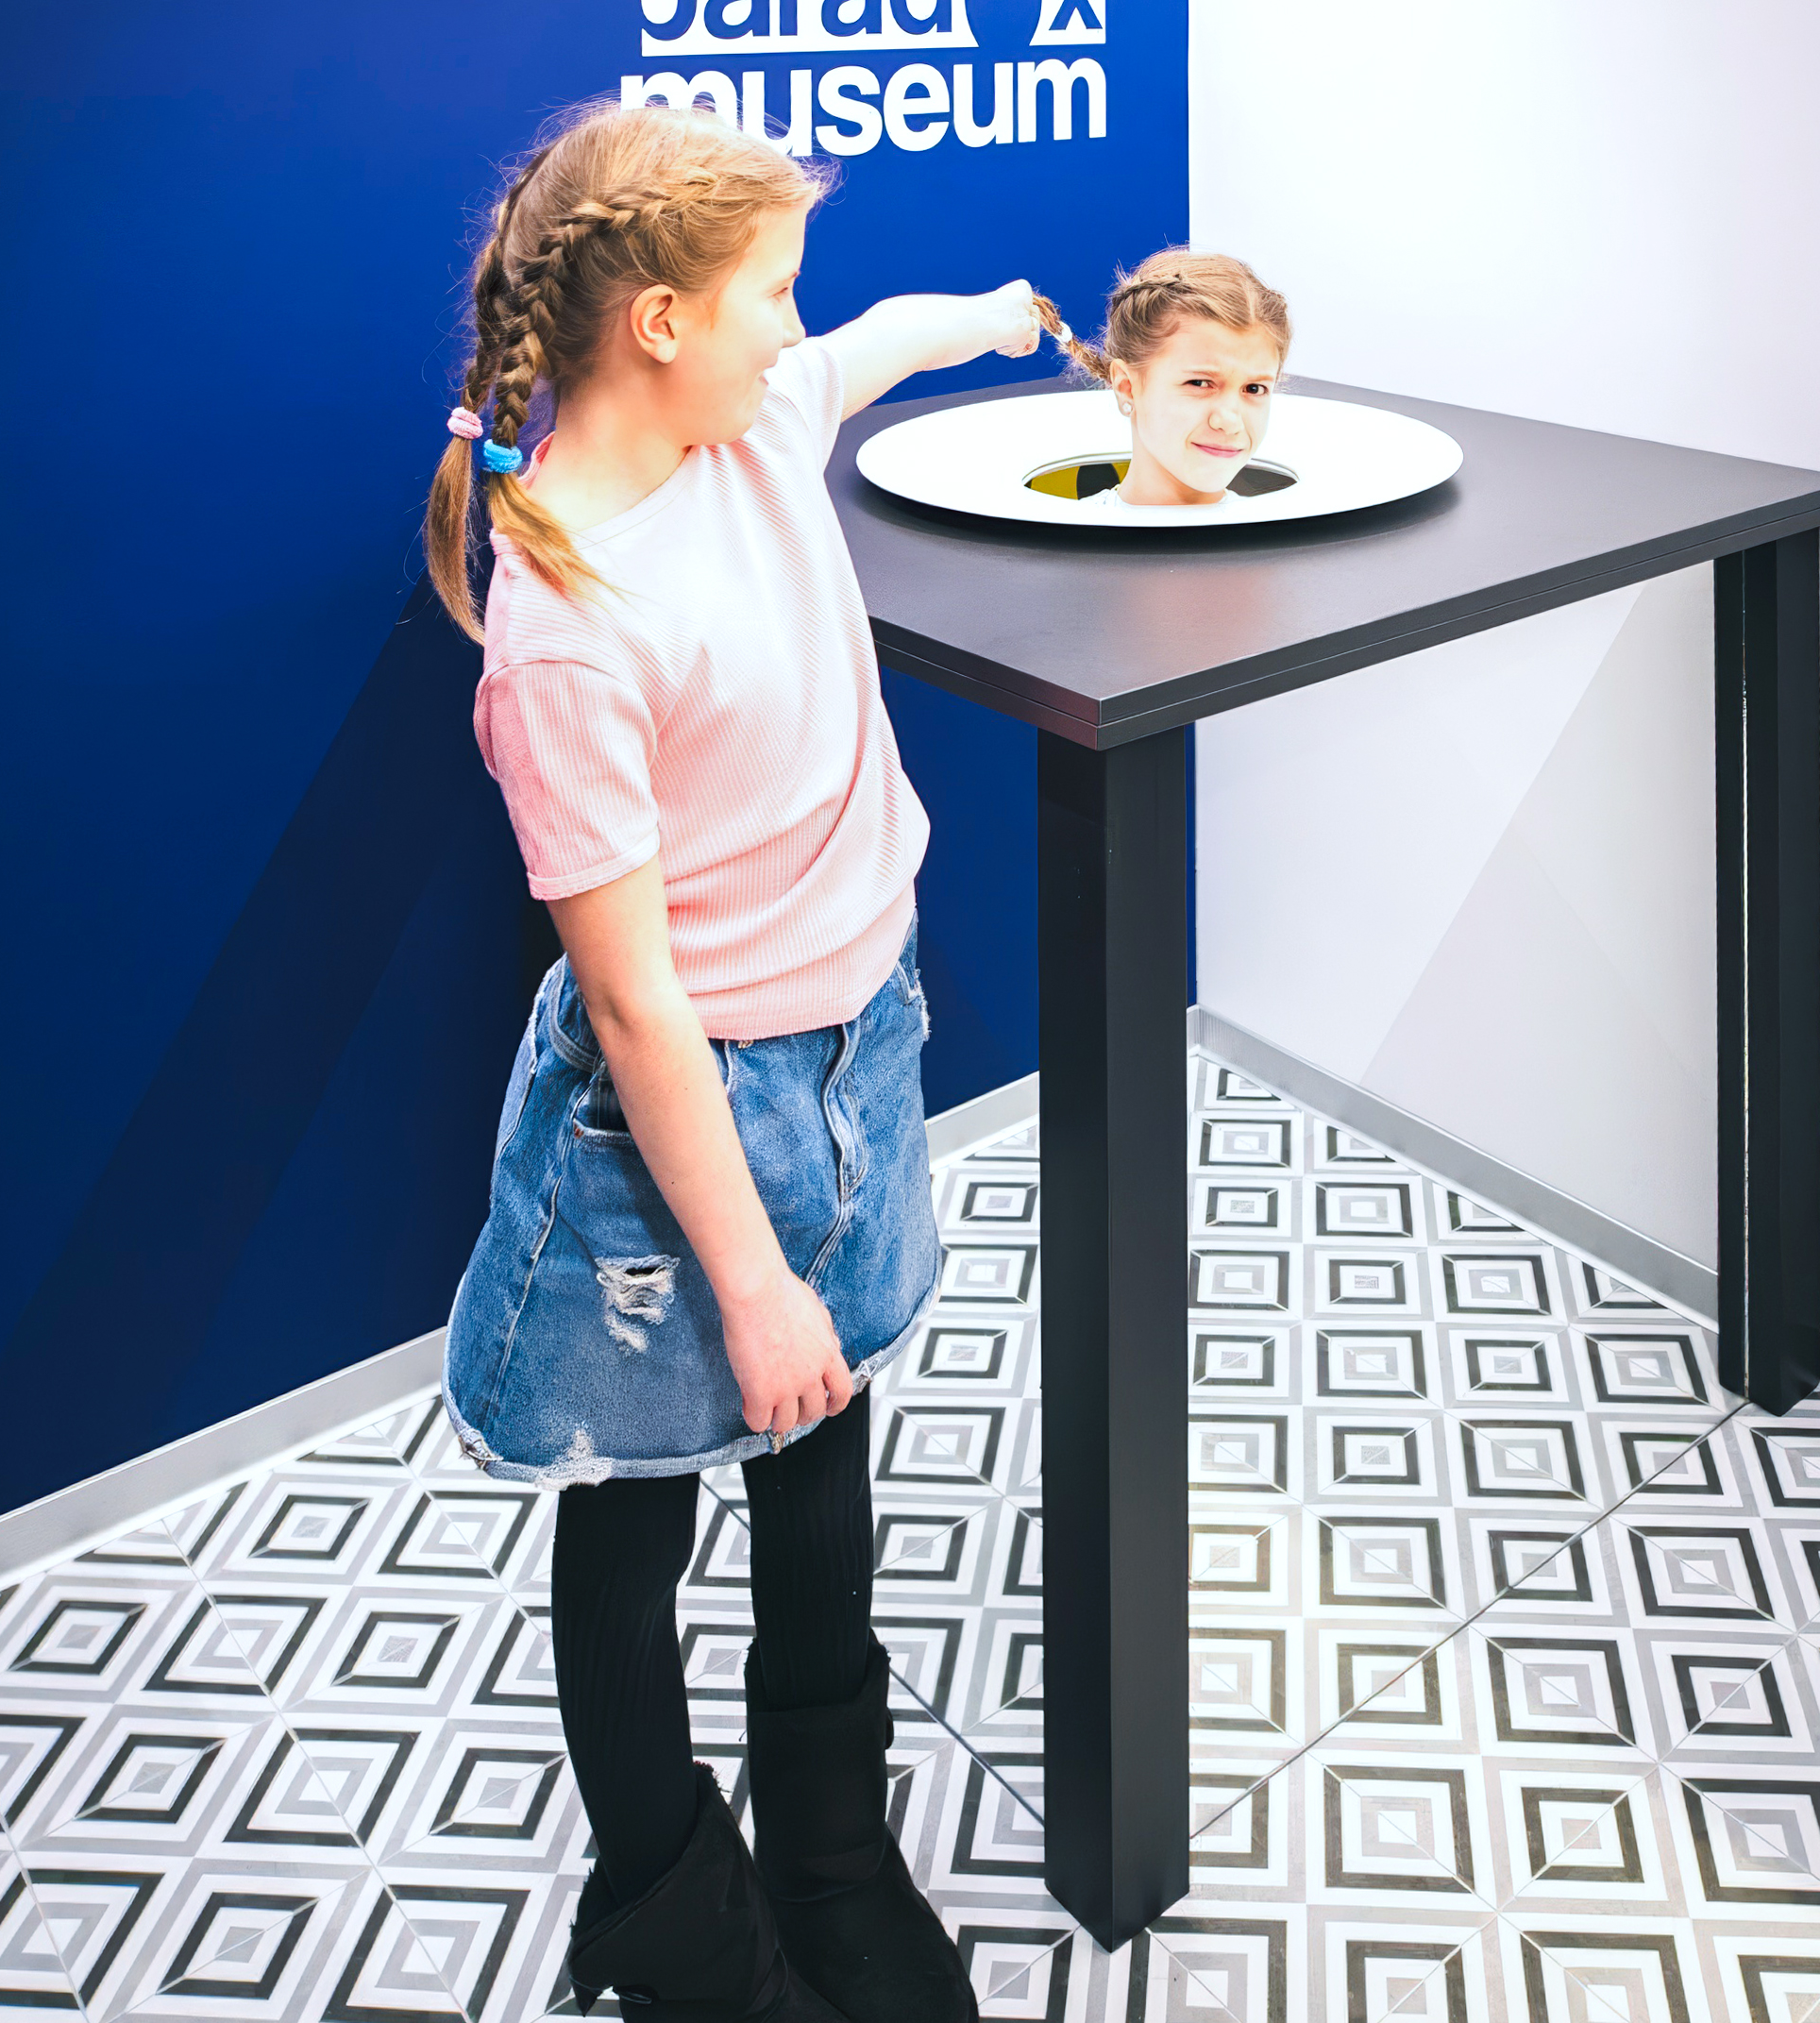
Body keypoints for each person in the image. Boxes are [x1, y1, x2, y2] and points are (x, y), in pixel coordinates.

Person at [425, 98, 1042, 2022]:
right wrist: (754, 1275)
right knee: (636, 1511)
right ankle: (678, 1927)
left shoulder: (751, 423)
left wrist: (995, 315)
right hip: (678, 1122)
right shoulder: (565, 627)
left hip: (851, 1060)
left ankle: (834, 1860)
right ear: (660, 322)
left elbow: (878, 346)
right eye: (771, 290)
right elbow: (630, 1007)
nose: (797, 325)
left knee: (821, 1464)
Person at [1040, 249, 1295, 507]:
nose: (1230, 422)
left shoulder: (1286, 527)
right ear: (1127, 387)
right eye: (1199, 383)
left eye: (1254, 388)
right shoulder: (1067, 529)